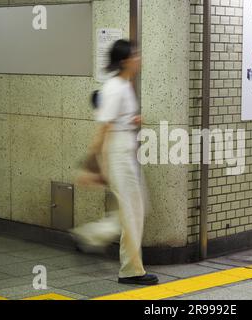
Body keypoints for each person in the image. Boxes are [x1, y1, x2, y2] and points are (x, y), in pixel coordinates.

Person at [72, 40, 159, 286]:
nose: (139, 58)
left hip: (125, 151)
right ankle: (131, 270)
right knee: (133, 211)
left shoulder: (123, 85)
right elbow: (103, 129)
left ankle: (91, 235)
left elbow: (117, 121)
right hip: (118, 153)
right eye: (135, 55)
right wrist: (92, 165)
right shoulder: (115, 87)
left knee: (136, 208)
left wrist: (132, 120)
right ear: (124, 61)